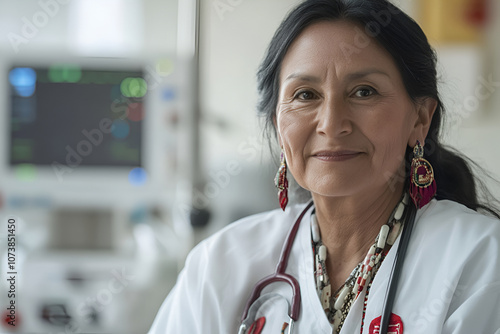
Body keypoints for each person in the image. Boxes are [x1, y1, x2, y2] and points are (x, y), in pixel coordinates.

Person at [148, 0, 500, 333]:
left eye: (364, 92)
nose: (332, 124)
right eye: (305, 95)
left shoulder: (480, 260)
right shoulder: (220, 264)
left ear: (420, 118)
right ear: (277, 122)